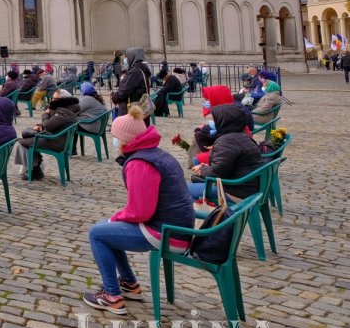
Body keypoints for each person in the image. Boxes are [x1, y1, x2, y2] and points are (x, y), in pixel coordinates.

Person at [82, 105, 194, 314]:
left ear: (125, 139)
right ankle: (129, 283)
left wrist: (117, 217)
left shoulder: (140, 163)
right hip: (176, 225)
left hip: (167, 232)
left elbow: (141, 212)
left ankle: (111, 295)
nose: (114, 141)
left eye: (116, 136)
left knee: (97, 234)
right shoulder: (156, 154)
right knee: (109, 229)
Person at [188, 104, 264, 201]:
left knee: (183, 191)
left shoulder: (226, 141)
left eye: (214, 120)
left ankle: (201, 215)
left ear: (224, 122)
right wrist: (206, 167)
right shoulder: (242, 136)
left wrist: (203, 170)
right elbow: (225, 166)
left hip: (236, 190)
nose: (211, 123)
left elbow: (217, 173)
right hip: (246, 186)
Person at [17, 88, 78, 181]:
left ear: (63, 100)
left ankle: (35, 169)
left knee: (23, 142)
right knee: (28, 138)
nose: (52, 100)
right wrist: (41, 125)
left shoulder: (63, 111)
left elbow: (49, 126)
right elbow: (55, 123)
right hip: (58, 138)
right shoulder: (67, 109)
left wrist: (46, 113)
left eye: (55, 99)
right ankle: (36, 166)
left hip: (55, 141)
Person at [110, 47, 150, 116]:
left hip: (133, 111)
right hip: (139, 109)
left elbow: (123, 92)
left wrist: (114, 96)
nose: (125, 59)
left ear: (132, 57)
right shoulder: (142, 68)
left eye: (127, 57)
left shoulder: (135, 72)